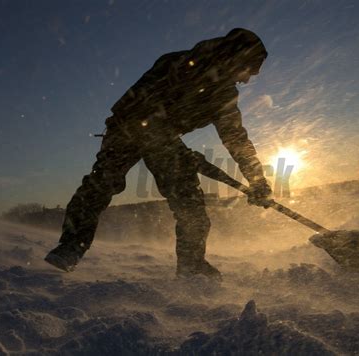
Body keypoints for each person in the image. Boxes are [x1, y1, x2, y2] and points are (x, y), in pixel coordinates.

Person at [45, 28, 272, 279]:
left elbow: (235, 137)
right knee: (101, 184)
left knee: (189, 202)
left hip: (165, 140)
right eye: (248, 70)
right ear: (234, 57)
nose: (247, 79)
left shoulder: (224, 93)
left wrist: (257, 180)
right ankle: (70, 247)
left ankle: (191, 265)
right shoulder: (178, 64)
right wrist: (174, 149)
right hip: (126, 127)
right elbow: (143, 108)